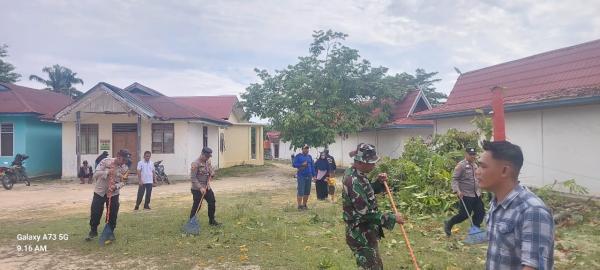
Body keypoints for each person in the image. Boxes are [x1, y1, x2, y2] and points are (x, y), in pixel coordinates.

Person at [477, 141, 554, 270]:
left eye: (483, 167)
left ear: (504, 171)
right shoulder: (496, 204)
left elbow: (533, 266)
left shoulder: (532, 211)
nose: (477, 172)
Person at [342, 143, 404, 270]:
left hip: (366, 232)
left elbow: (366, 190)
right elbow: (365, 213)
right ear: (360, 162)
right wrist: (392, 218)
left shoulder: (357, 174)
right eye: (371, 163)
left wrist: (379, 183)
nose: (374, 165)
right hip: (360, 234)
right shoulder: (353, 181)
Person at [86, 149, 130, 241]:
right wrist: (107, 172)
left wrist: (116, 186)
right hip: (100, 191)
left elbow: (124, 182)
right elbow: (95, 174)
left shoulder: (125, 168)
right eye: (123, 159)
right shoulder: (105, 161)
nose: (124, 162)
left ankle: (109, 232)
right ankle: (93, 231)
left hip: (113, 193)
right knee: (96, 211)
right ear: (118, 156)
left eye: (126, 161)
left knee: (112, 213)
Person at [443, 147, 485, 236]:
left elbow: (476, 179)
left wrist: (480, 189)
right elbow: (455, 179)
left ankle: (475, 230)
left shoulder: (475, 165)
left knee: (480, 212)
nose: (473, 156)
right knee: (464, 215)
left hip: (476, 194)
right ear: (466, 155)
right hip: (465, 195)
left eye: (474, 154)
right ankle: (449, 223)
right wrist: (457, 191)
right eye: (471, 154)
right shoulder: (461, 166)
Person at [190, 147, 221, 226]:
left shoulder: (207, 162)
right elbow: (193, 178)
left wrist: (212, 173)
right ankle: (192, 221)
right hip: (197, 189)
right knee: (197, 205)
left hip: (207, 187)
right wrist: (200, 187)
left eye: (209, 157)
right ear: (202, 154)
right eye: (206, 156)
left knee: (212, 202)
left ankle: (212, 221)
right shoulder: (195, 163)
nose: (208, 158)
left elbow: (211, 170)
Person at [292, 144, 316, 210]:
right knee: (301, 191)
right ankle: (299, 206)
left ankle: (304, 205)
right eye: (305, 148)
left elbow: (312, 167)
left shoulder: (310, 157)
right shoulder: (298, 156)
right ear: (302, 149)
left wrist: (314, 176)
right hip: (301, 176)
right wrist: (301, 164)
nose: (306, 150)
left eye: (307, 148)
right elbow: (294, 164)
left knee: (307, 192)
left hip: (309, 176)